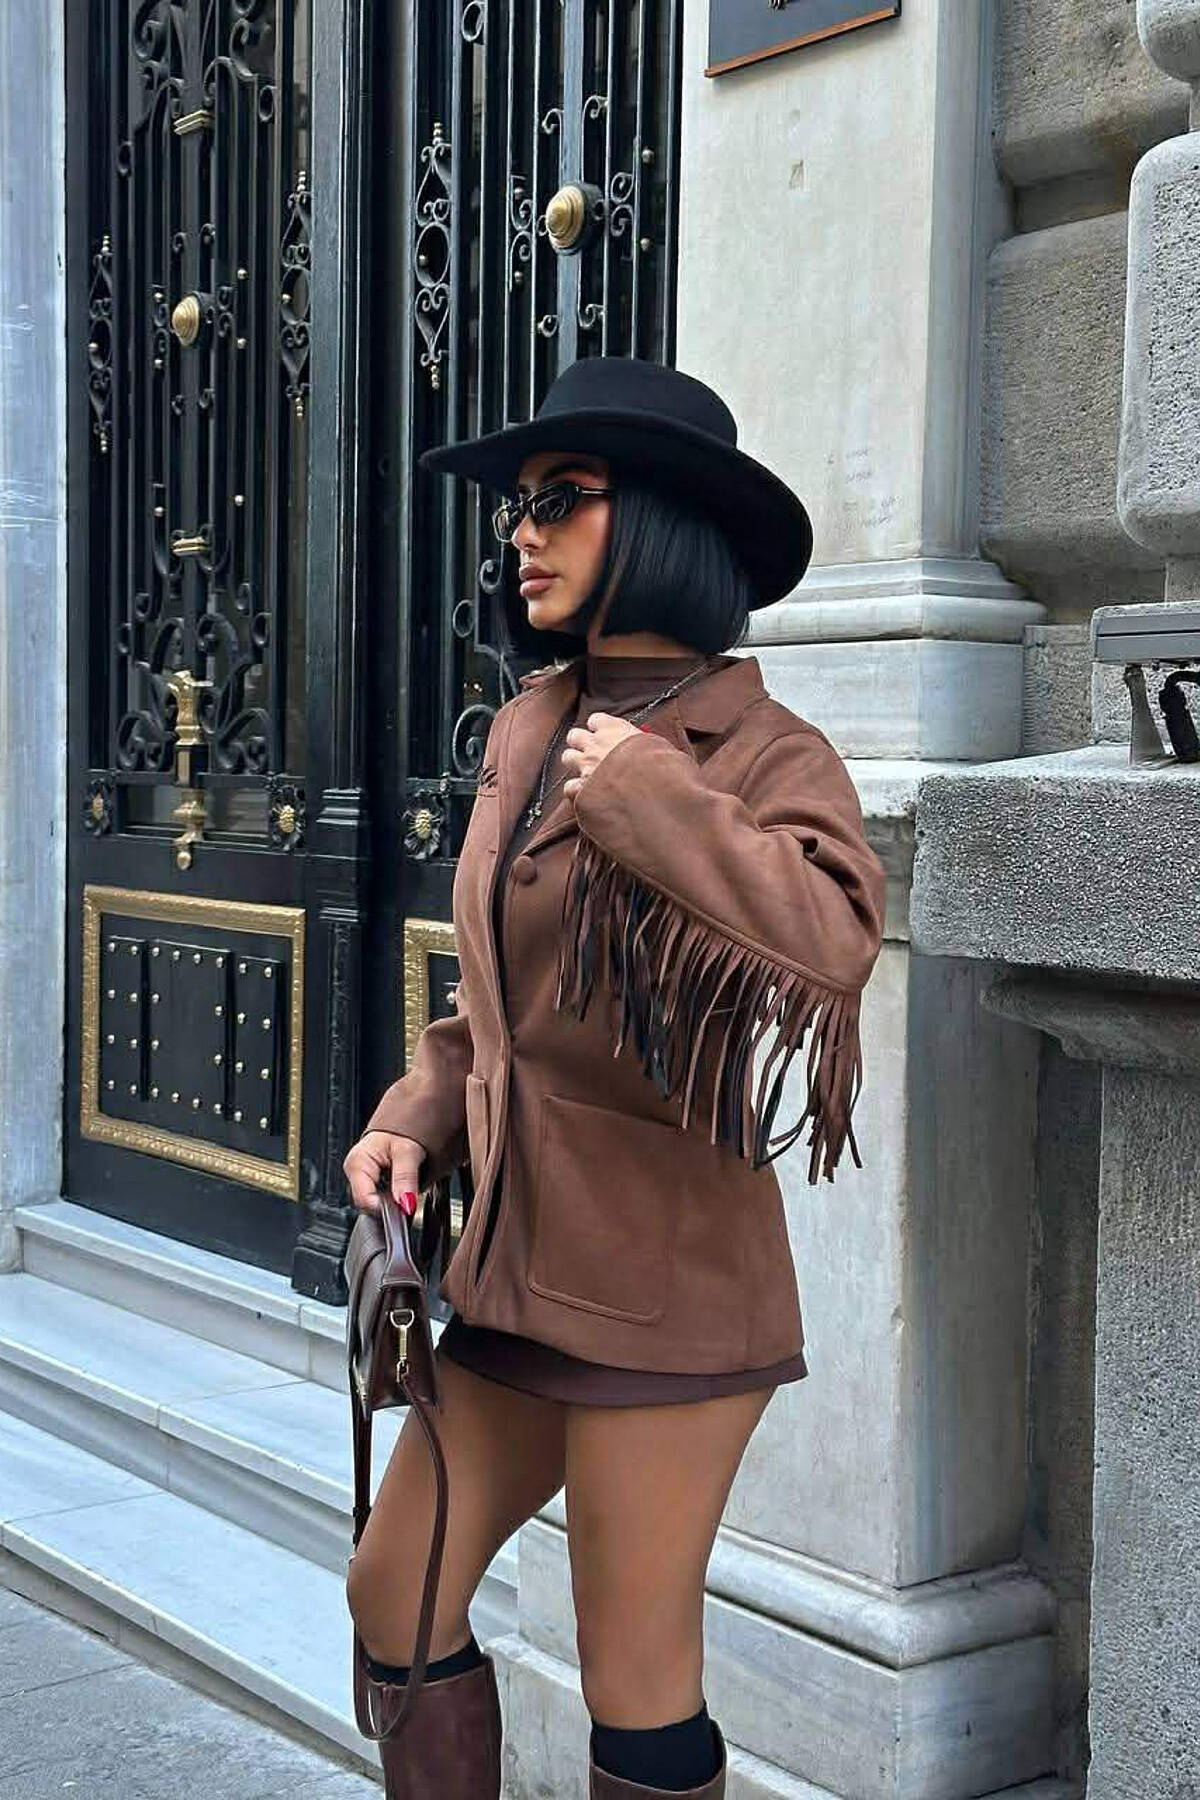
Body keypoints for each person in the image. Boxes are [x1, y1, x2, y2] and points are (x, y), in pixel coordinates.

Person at [342, 356, 887, 1799]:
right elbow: (501, 1001)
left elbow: (834, 943)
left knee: (634, 1675)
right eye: (519, 506)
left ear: (662, 520)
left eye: (561, 499)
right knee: (394, 1592)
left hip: (664, 1288)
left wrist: (652, 798)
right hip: (511, 1272)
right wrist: (415, 1119)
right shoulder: (529, 722)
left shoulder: (764, 749)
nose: (522, 533)